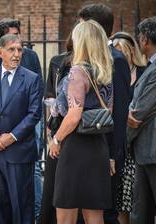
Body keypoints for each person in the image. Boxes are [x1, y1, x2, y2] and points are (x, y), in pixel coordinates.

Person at [49, 19, 113, 224]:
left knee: (66, 212)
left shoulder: (77, 72)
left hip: (75, 146)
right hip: (98, 145)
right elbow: (107, 110)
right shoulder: (105, 72)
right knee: (94, 214)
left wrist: (56, 139)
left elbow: (74, 115)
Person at [0, 34, 43, 224]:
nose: (16, 54)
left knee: (21, 206)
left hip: (19, 152)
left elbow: (34, 114)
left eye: (19, 50)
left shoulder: (31, 79)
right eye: (11, 49)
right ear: (0, 52)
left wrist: (11, 137)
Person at [77, 4, 131, 223]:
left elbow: (119, 113)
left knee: (105, 211)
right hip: (87, 147)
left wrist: (112, 154)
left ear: (93, 28)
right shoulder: (87, 56)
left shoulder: (115, 59)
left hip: (105, 150)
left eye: (82, 25)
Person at [127, 16, 156, 224]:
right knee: (140, 211)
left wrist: (125, 127)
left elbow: (141, 111)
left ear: (144, 39)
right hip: (146, 150)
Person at [110, 31, 146, 224]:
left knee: (138, 196)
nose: (119, 56)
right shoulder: (112, 72)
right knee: (122, 196)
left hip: (139, 139)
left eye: (123, 51)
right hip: (120, 140)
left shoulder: (144, 71)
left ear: (132, 51)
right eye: (116, 52)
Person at [39, 34, 73, 224]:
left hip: (81, 132)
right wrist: (52, 133)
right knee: (55, 184)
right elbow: (49, 95)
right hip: (58, 129)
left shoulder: (97, 63)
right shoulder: (57, 61)